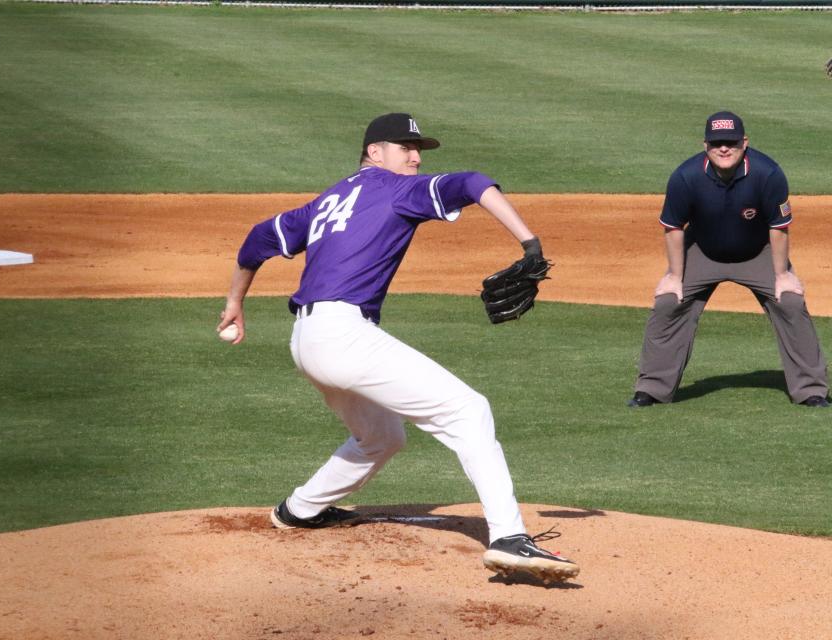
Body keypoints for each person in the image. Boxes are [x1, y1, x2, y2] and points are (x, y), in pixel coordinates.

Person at [217, 113, 579, 583]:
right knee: (469, 411)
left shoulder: (329, 198)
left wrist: (234, 304)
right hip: (344, 336)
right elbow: (473, 182)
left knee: (382, 437)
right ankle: (509, 538)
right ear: (374, 152)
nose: (414, 157)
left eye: (419, 150)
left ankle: (299, 510)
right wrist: (531, 244)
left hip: (307, 341)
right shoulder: (394, 189)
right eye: (404, 147)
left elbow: (256, 241)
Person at [628, 111, 829, 408]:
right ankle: (652, 389)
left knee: (790, 302)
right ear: (705, 145)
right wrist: (673, 274)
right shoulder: (686, 177)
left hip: (757, 250)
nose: (724, 149)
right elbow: (672, 227)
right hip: (703, 251)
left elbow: (778, 227)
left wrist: (782, 274)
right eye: (717, 143)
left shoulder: (768, 173)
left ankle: (811, 390)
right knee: (669, 302)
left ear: (744, 142)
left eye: (731, 142)